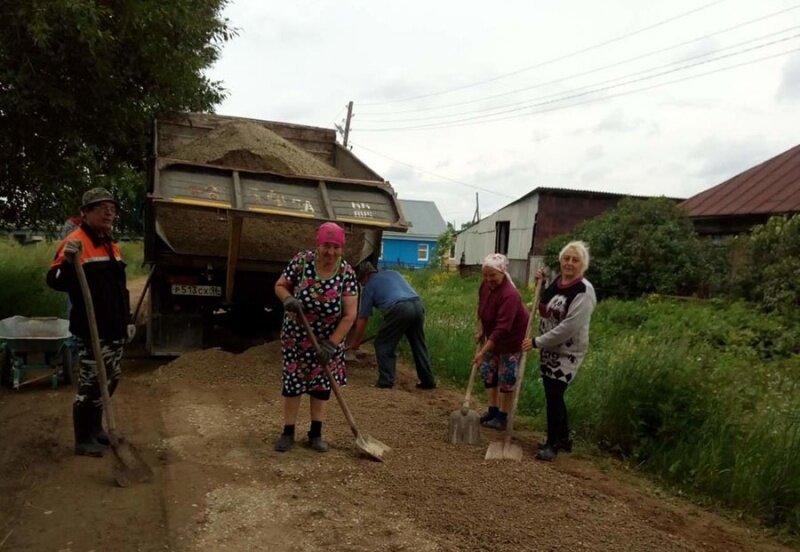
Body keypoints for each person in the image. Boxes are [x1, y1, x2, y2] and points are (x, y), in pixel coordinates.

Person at [47, 188, 134, 457]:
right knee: (90, 383)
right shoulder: (76, 241)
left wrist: (127, 320)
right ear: (85, 213)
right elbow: (54, 280)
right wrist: (69, 262)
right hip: (91, 329)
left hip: (113, 327)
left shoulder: (109, 243)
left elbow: (119, 288)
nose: (109, 212)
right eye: (101, 207)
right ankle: (82, 439)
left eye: (112, 207)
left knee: (109, 379)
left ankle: (96, 429)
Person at [273, 222, 358, 453]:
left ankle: (316, 434)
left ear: (342, 248)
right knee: (293, 384)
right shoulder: (301, 262)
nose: (330, 252)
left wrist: (331, 345)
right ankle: (288, 432)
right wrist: (287, 299)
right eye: (326, 246)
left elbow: (350, 315)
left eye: (336, 247)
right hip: (297, 338)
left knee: (321, 386)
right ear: (318, 244)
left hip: (328, 340)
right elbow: (280, 286)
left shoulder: (346, 272)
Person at [523, 240, 596, 462]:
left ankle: (552, 443)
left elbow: (568, 328)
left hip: (567, 352)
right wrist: (541, 285)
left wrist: (536, 342)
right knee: (553, 394)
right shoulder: (558, 281)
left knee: (554, 396)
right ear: (560, 260)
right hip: (549, 348)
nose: (569, 263)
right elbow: (545, 306)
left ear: (583, 264)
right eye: (566, 258)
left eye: (575, 260)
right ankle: (563, 439)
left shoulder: (584, 291)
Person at [348, 262, 436, 390]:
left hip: (398, 309)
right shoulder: (393, 273)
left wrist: (355, 343)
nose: (361, 284)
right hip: (417, 305)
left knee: (382, 344)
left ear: (365, 276)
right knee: (418, 344)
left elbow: (363, 318)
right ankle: (428, 381)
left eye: (361, 281)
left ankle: (385, 381)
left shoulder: (369, 287)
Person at [474, 253, 530, 431]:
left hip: (511, 340)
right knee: (488, 372)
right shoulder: (485, 286)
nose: (489, 279)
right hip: (493, 336)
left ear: (503, 273)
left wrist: (482, 351)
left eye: (493, 276)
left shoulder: (510, 295)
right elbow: (481, 309)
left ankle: (503, 416)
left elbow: (502, 329)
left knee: (506, 377)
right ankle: (492, 410)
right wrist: (481, 328)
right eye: (486, 275)